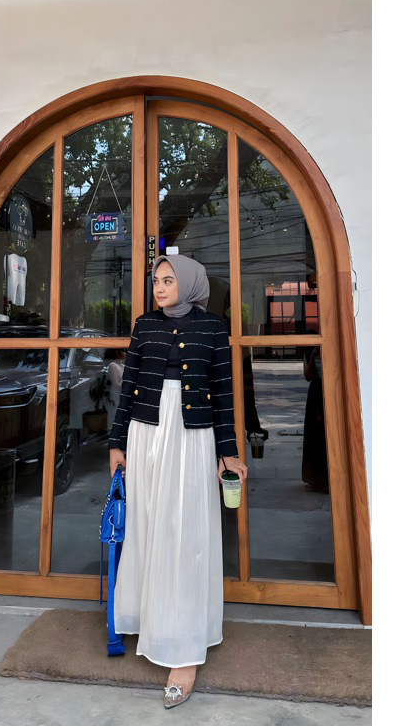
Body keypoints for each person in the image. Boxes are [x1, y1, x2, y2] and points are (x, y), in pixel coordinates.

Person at [108, 254, 247, 709]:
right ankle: (149, 619)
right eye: (156, 280)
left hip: (192, 436)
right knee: (148, 525)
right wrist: (116, 442)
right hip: (146, 433)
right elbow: (128, 387)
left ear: (188, 283)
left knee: (184, 532)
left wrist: (228, 451)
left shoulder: (213, 329)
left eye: (168, 280)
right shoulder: (144, 325)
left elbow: (223, 393)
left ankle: (184, 649)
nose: (159, 287)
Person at [301, 345, 329, 493]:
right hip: (316, 391)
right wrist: (313, 355)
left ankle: (329, 477)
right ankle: (316, 478)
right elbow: (308, 375)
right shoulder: (309, 349)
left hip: (331, 388)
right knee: (315, 434)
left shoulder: (331, 345)